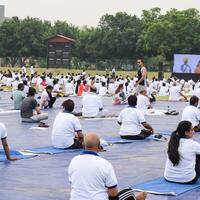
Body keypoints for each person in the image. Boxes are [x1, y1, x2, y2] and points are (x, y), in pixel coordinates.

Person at [68, 132, 147, 200]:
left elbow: (74, 184)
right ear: (99, 146)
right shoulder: (104, 164)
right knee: (129, 193)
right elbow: (113, 193)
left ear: (83, 145)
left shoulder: (73, 161)